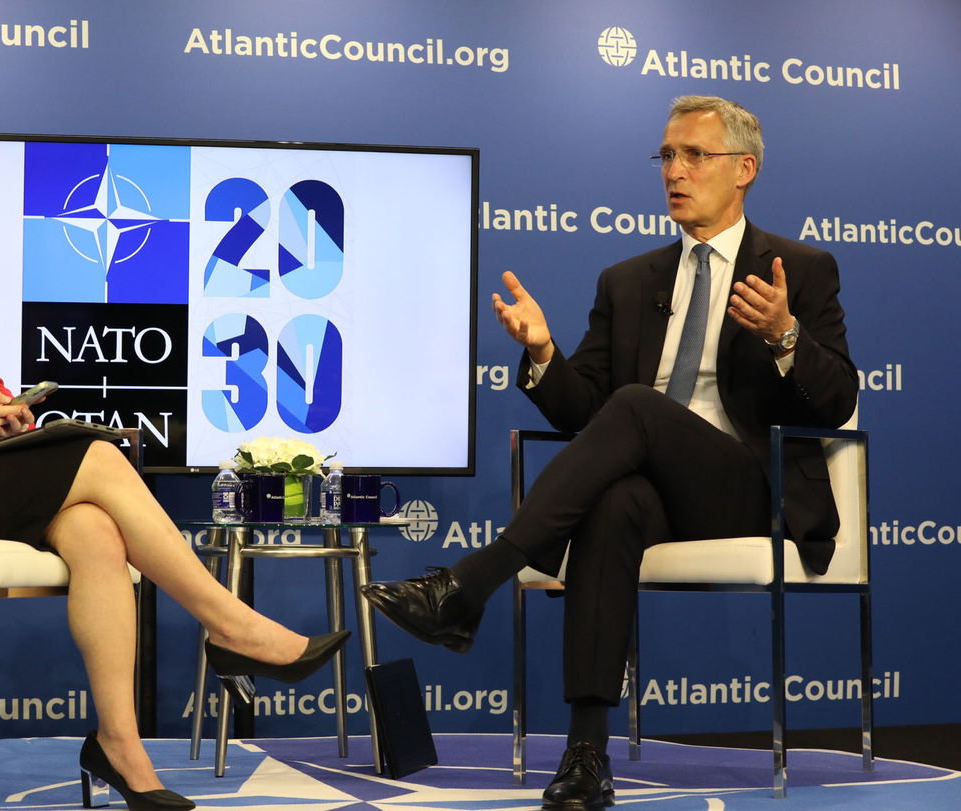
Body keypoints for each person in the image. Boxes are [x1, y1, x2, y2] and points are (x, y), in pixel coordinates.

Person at [0, 119, 349, 811]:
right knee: (94, 451)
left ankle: (120, 744)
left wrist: (5, 405)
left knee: (93, 528)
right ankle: (231, 624)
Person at [361, 96, 857, 810]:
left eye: (695, 156)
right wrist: (541, 352)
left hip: (752, 485)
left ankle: (470, 583)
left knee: (635, 406)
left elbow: (838, 398)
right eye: (666, 155)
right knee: (614, 496)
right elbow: (585, 414)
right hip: (654, 487)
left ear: (744, 169)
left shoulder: (799, 269)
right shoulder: (627, 282)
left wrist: (785, 336)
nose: (674, 172)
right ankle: (586, 754)